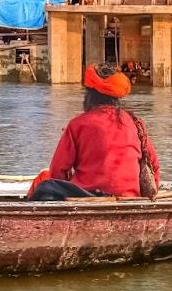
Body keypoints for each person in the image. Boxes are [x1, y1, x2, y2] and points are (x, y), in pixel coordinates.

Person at [29, 64, 160, 200]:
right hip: (129, 197)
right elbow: (154, 167)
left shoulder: (77, 124)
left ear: (89, 97)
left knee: (44, 184)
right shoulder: (135, 123)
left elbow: (58, 171)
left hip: (89, 197)